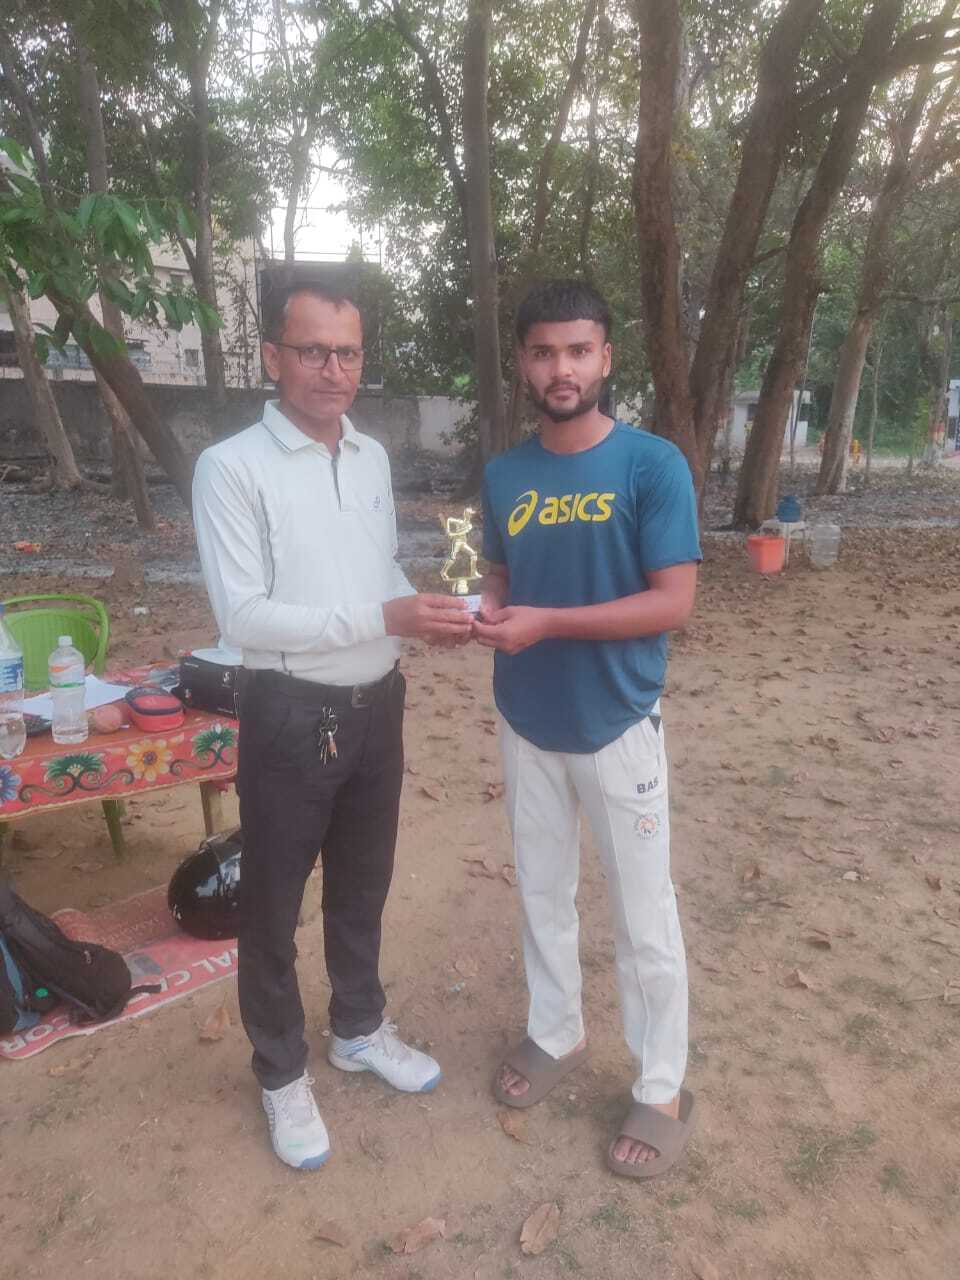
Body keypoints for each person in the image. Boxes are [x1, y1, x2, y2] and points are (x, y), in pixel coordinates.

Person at [192, 284, 472, 1171]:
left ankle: (357, 1026)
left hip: (376, 705)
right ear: (273, 358)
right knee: (272, 904)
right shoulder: (231, 467)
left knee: (363, 881)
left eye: (348, 352)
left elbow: (375, 569)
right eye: (312, 350)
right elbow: (245, 616)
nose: (332, 370)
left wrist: (430, 612)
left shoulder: (371, 454)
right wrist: (384, 613)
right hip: (288, 712)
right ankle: (280, 1070)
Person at [474, 279, 701, 1180]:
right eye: (543, 352)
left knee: (644, 913)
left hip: (618, 720)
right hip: (527, 718)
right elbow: (498, 573)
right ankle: (555, 1030)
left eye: (577, 350)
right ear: (523, 363)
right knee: (541, 890)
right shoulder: (505, 473)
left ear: (606, 356)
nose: (560, 368)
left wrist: (548, 623)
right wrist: (484, 609)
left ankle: (661, 1084)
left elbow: (672, 601)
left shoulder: (653, 465)